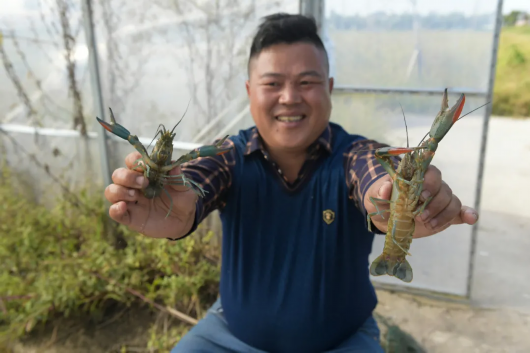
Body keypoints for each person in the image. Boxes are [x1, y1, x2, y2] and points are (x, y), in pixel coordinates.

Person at [104, 13, 479, 353]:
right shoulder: (228, 155)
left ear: (329, 87)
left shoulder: (354, 154)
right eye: (273, 83)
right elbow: (194, 179)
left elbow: (374, 172)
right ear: (250, 91)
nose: (289, 97)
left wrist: (393, 195)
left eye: (306, 82)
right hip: (227, 336)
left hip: (344, 341)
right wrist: (177, 210)